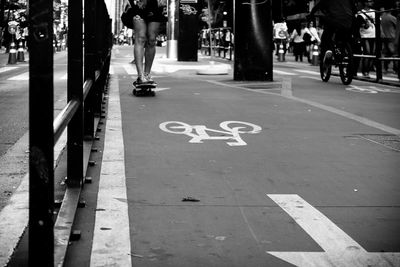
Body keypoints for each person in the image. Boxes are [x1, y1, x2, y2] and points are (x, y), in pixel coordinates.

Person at [130, 0, 167, 85]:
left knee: (152, 39)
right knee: (141, 38)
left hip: (155, 5)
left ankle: (147, 74)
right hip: (138, 4)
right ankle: (140, 75)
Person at [309, 0, 357, 65]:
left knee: (326, 38)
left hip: (333, 20)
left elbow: (316, 7)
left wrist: (311, 15)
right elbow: (354, 9)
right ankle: (342, 51)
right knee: (343, 38)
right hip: (348, 22)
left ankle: (327, 53)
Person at [358, 0, 376, 77]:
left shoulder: (374, 12)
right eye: (369, 1)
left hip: (374, 35)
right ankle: (365, 71)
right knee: (367, 53)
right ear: (365, 2)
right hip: (365, 36)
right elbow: (359, 23)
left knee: (372, 54)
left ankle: (367, 71)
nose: (371, 3)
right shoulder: (360, 12)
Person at [380, 5, 397, 74]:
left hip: (384, 37)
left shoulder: (382, 17)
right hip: (392, 37)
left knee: (387, 54)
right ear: (391, 9)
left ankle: (385, 68)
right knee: (394, 54)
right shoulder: (392, 18)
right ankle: (396, 69)